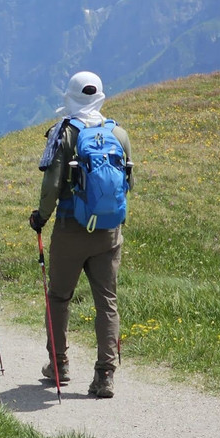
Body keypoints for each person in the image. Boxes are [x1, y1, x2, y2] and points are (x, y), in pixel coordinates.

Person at [28, 71, 133, 399]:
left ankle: (59, 365)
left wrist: (40, 217)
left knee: (59, 297)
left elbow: (51, 186)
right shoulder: (118, 132)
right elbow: (128, 183)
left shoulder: (64, 133)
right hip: (109, 232)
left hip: (72, 228)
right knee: (107, 301)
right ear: (100, 95)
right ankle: (105, 374)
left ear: (69, 96)